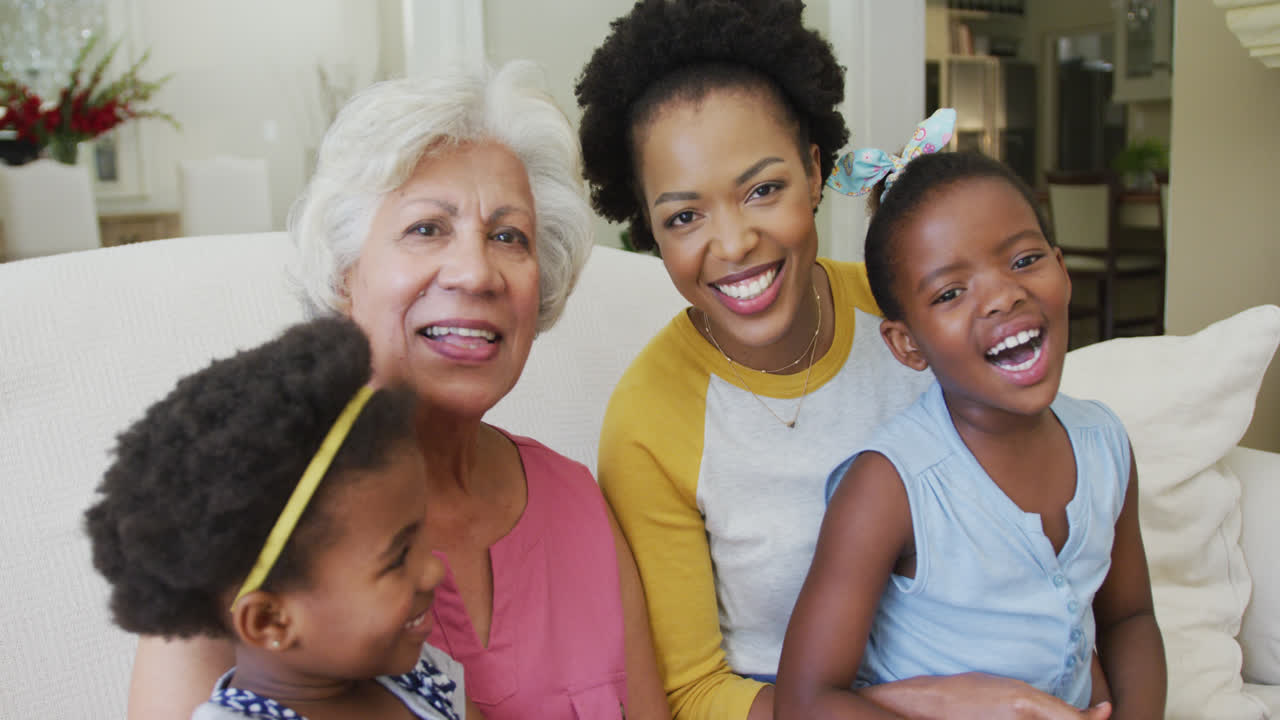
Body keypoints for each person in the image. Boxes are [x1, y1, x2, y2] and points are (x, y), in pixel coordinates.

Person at [578, 1, 1135, 718]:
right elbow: (691, 691)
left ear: (815, 172)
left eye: (763, 189)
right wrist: (923, 705)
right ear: (649, 230)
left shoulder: (918, 310)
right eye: (684, 216)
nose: (735, 242)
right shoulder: (647, 423)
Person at [124, 61, 668, 720]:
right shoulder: (246, 518)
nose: (476, 272)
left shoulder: (577, 503)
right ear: (344, 273)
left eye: (508, 236)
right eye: (427, 228)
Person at [774, 146, 1167, 718]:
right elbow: (805, 702)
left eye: (1025, 260)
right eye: (950, 293)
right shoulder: (889, 486)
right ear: (907, 344)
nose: (1004, 296)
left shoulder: (1104, 444)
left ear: (1062, 269)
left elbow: (1130, 617)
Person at [86, 317, 477, 720]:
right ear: (270, 620)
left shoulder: (415, 674)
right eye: (398, 557)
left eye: (419, 532)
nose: (433, 569)